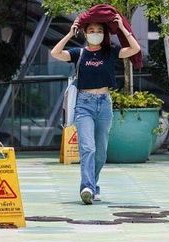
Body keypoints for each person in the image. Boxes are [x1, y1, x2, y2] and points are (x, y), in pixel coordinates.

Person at [50, 11, 140, 204]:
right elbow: (55, 53)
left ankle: (93, 184)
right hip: (84, 104)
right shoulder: (79, 53)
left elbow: (134, 49)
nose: (95, 33)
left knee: (101, 153)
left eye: (99, 30)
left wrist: (123, 29)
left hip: (104, 104)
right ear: (85, 33)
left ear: (104, 33)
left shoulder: (110, 51)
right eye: (91, 30)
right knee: (88, 148)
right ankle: (87, 187)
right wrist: (68, 34)